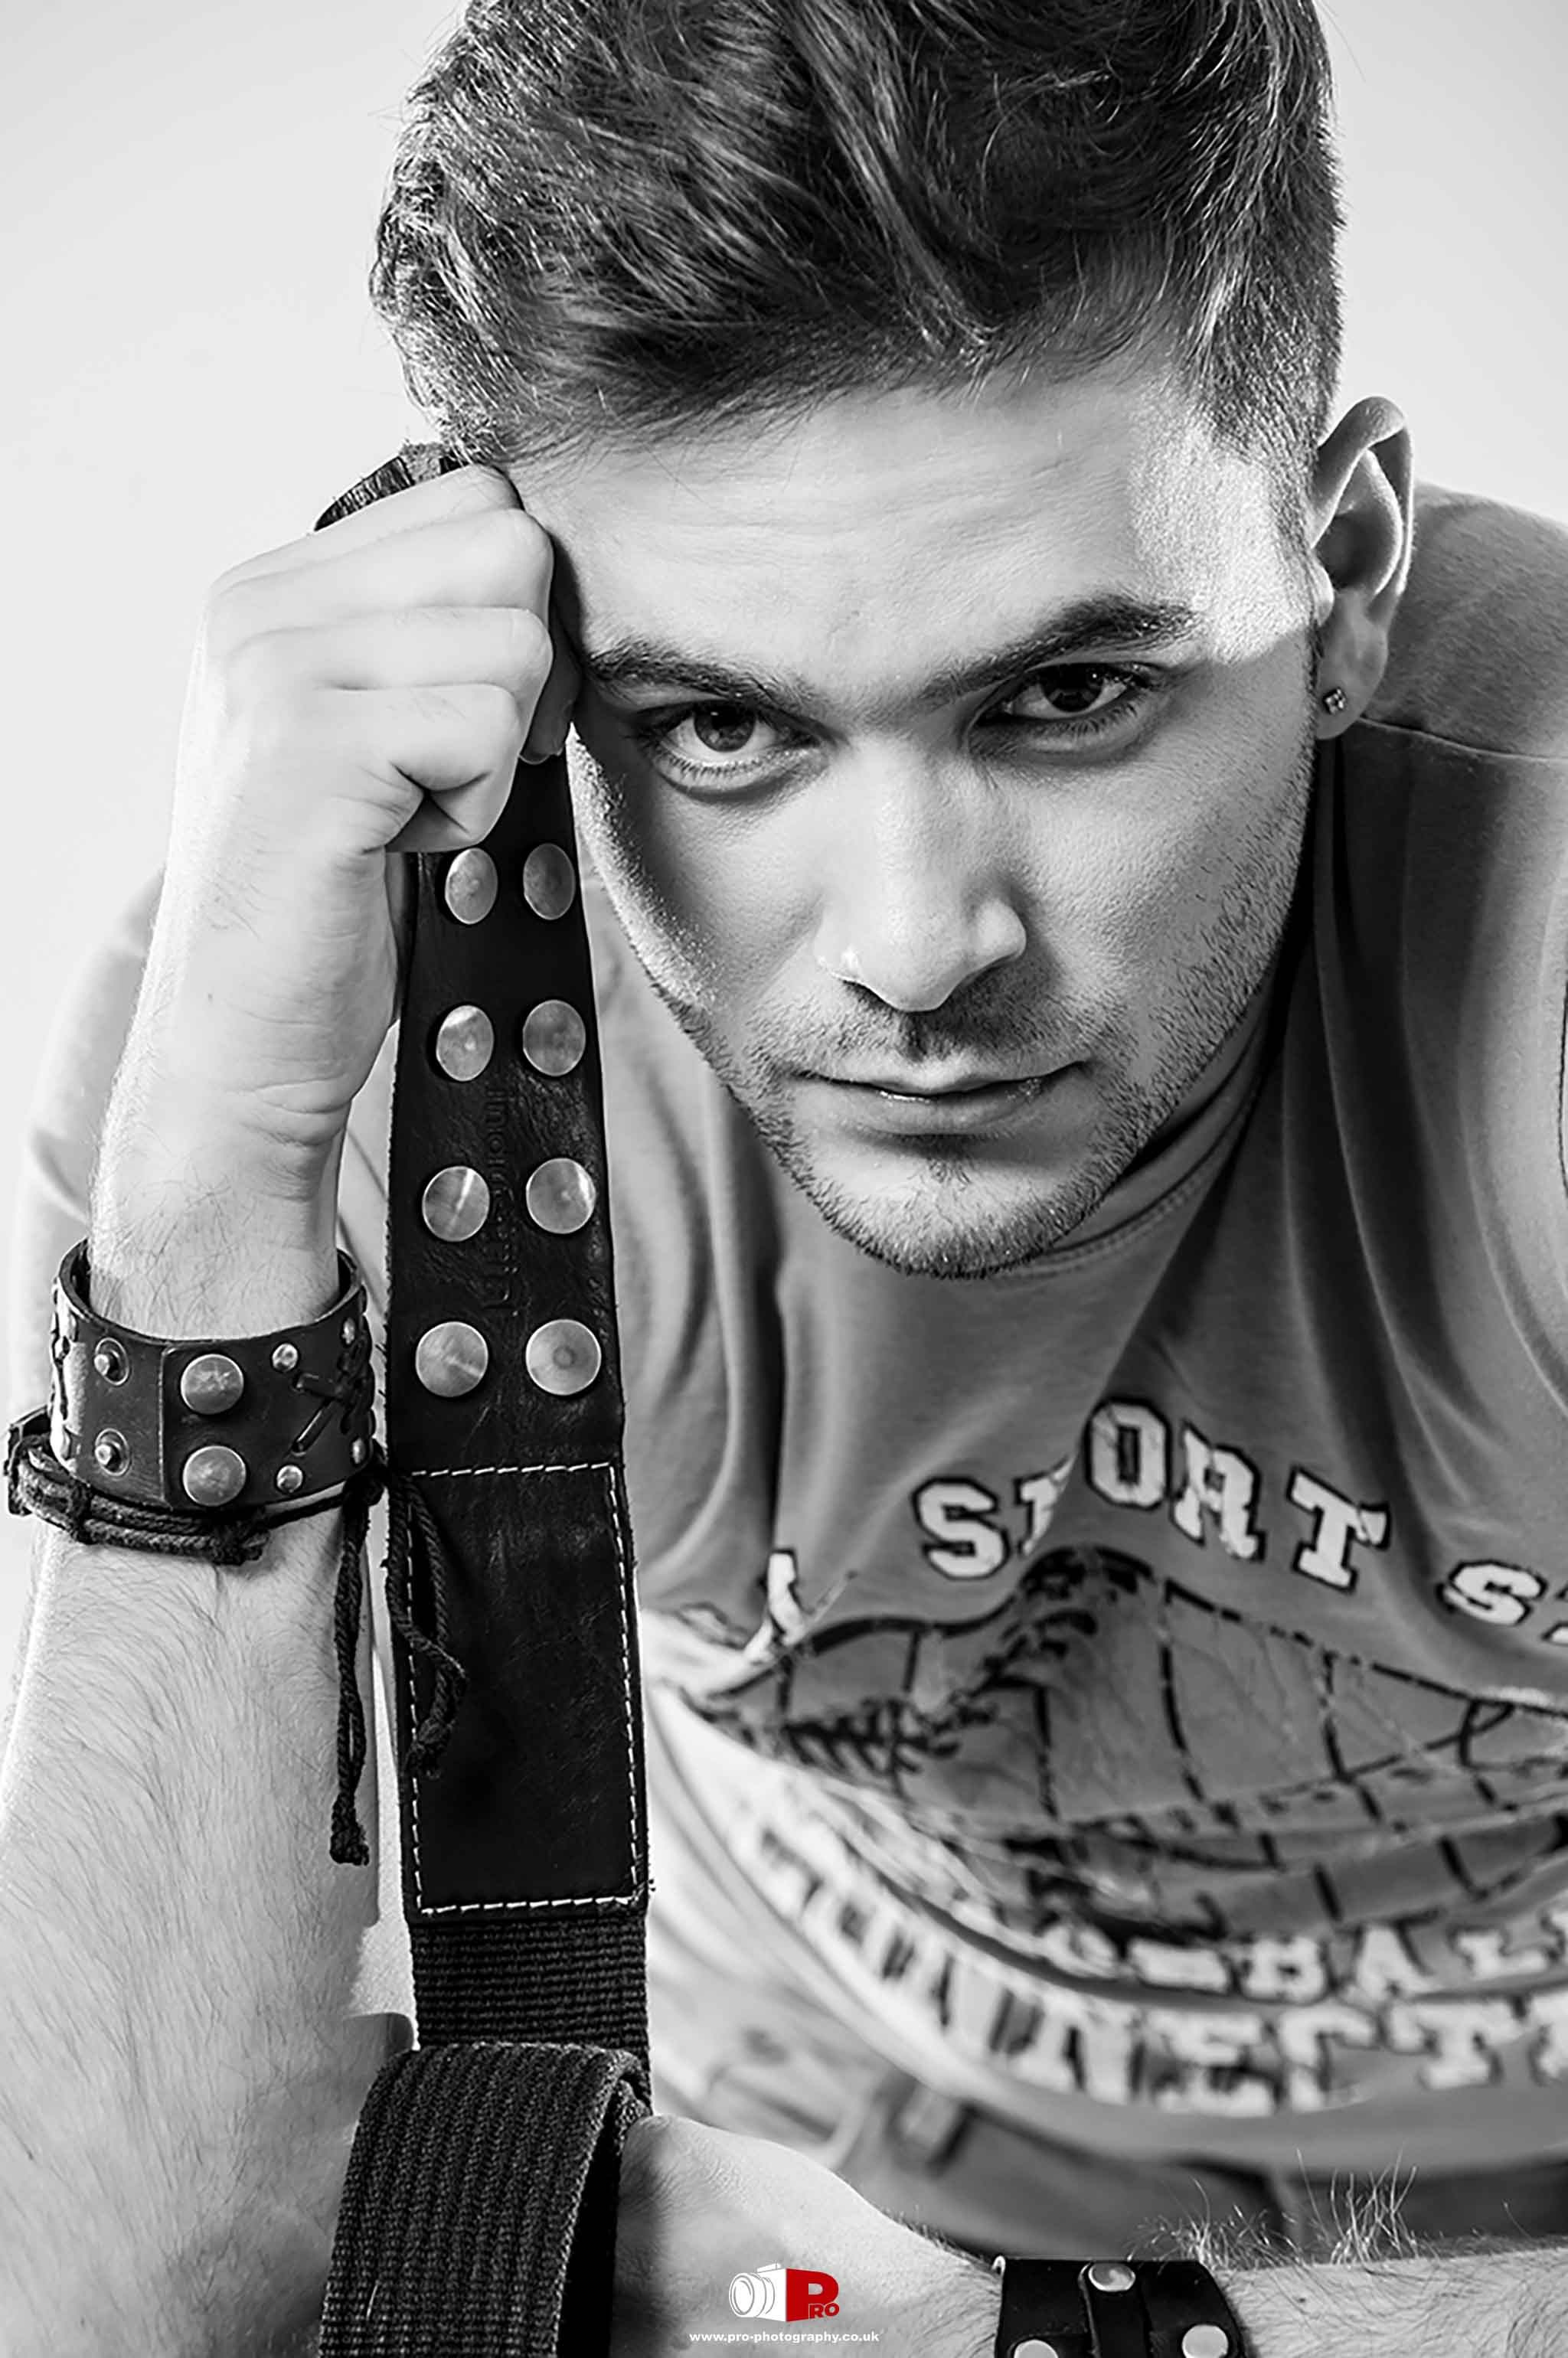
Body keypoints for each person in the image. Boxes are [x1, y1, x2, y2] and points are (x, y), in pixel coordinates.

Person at [3, 0, 1567, 2348]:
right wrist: (218, 1152)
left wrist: (1004, 2334)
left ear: (1338, 567)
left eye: (1065, 698)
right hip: (769, 2204)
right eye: (723, 725)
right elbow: (120, 2296)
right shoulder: (342, 1014)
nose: (918, 943)